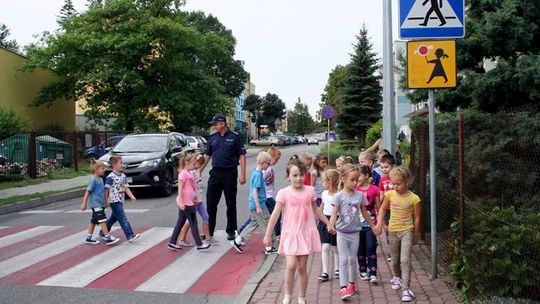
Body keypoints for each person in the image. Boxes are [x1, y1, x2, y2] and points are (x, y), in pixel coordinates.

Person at [264, 158, 332, 304]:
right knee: (291, 265)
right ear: (288, 176)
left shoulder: (310, 191)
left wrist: (328, 223)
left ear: (305, 175)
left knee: (302, 268)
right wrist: (268, 234)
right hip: (290, 233)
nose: (298, 178)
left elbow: (316, 211)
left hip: (305, 233)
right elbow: (275, 214)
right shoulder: (284, 193)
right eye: (294, 175)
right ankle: (287, 295)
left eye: (301, 174)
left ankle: (301, 297)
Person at [373, 167, 421, 302]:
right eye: (393, 183)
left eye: (398, 184)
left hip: (407, 230)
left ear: (407, 182)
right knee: (394, 260)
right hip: (392, 231)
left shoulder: (414, 198)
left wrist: (416, 234)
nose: (395, 186)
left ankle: (406, 289)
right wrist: (379, 224)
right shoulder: (390, 195)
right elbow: (382, 210)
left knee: (405, 260)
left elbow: (417, 217)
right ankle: (397, 276)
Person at [328, 164, 374, 300]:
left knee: (353, 260)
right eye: (352, 180)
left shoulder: (359, 195)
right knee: (343, 259)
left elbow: (365, 213)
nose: (355, 183)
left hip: (355, 233)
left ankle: (352, 284)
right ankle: (343, 288)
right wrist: (331, 224)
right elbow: (334, 214)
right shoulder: (338, 196)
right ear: (343, 178)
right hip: (341, 233)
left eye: (356, 179)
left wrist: (372, 225)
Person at [202, 114, 247, 241]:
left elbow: (242, 155)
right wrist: (199, 171)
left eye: (216, 124)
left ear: (223, 124)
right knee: (211, 204)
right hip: (215, 174)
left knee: (230, 203)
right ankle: (209, 231)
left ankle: (231, 230)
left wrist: (243, 174)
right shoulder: (212, 138)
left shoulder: (235, 137)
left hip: (230, 173)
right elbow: (207, 156)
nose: (214, 126)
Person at [232, 151, 277, 255]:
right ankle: (269, 247)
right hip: (259, 205)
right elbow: (254, 191)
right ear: (262, 162)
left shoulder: (257, 173)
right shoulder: (257, 175)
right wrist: (258, 207)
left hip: (256, 205)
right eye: (268, 163)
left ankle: (238, 241)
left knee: (253, 224)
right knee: (267, 223)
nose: (269, 165)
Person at [168, 152, 211, 251]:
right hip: (187, 203)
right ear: (187, 163)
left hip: (189, 201)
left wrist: (195, 197)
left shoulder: (187, 173)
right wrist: (181, 202)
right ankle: (199, 244)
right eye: (193, 164)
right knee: (193, 223)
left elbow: (192, 187)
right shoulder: (183, 174)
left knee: (180, 222)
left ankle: (172, 242)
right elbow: (180, 189)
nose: (194, 166)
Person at [101, 156, 140, 242]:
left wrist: (131, 196)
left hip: (120, 200)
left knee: (113, 219)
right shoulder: (110, 177)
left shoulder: (122, 176)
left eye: (122, 163)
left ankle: (102, 232)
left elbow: (125, 187)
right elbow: (106, 189)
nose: (122, 165)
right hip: (114, 201)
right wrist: (106, 200)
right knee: (123, 219)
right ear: (114, 165)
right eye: (120, 163)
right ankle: (130, 235)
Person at [80, 160, 119, 245]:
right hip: (96, 205)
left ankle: (89, 237)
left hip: (100, 204)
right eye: (102, 168)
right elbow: (87, 192)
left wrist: (105, 202)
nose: (104, 170)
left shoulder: (101, 179)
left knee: (94, 220)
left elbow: (103, 192)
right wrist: (84, 203)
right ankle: (108, 237)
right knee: (102, 220)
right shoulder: (93, 180)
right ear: (96, 169)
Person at [355, 164, 381, 283]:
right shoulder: (354, 189)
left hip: (371, 224)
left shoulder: (374, 189)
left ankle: (373, 272)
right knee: (360, 249)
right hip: (356, 225)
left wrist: (380, 224)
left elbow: (379, 208)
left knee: (371, 247)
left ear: (366, 175)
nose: (356, 179)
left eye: (359, 176)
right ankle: (363, 270)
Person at [317, 169, 340, 282]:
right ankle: (325, 271)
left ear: (330, 182)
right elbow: (322, 205)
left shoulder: (339, 195)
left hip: (336, 221)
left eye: (323, 181)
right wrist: (318, 217)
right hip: (325, 220)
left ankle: (337, 269)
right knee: (325, 246)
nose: (322, 184)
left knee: (335, 247)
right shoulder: (324, 193)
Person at [264, 146, 282, 239]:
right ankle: (277, 233)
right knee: (277, 212)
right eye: (276, 159)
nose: (277, 162)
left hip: (267, 195)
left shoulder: (270, 168)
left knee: (256, 218)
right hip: (266, 196)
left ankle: (277, 232)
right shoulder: (267, 169)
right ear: (270, 158)